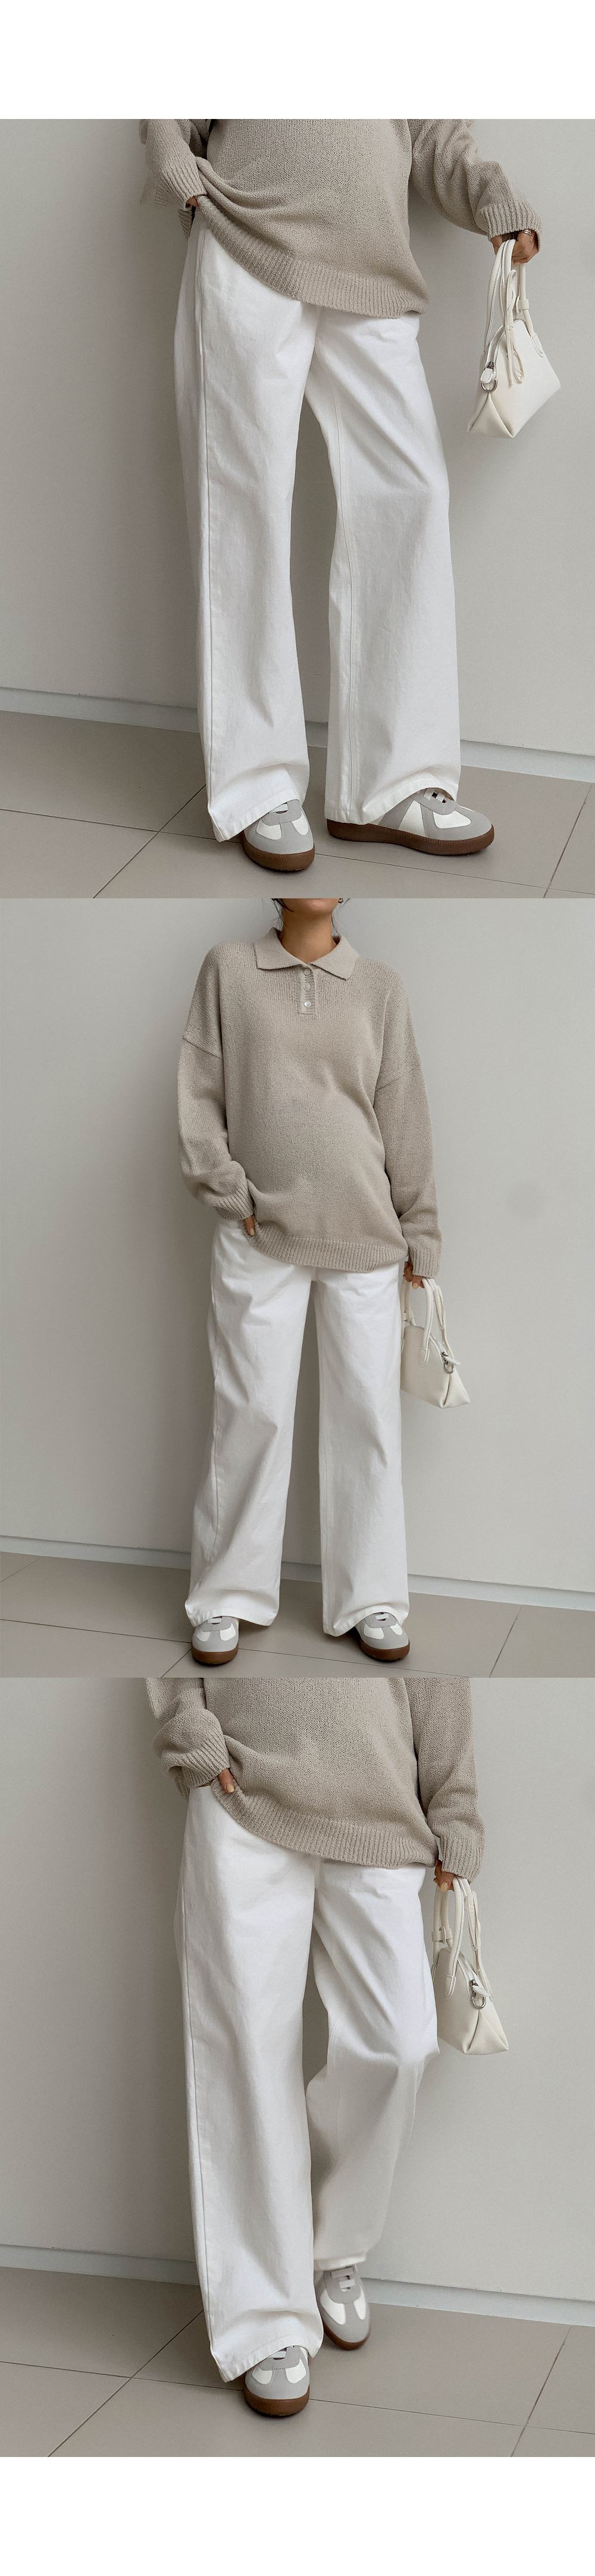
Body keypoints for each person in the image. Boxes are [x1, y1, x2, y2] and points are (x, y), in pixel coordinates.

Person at [140, 119, 540, 869]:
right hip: (246, 241)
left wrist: (496, 202)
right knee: (243, 506)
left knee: (409, 495)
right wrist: (182, 179)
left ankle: (394, 784)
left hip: (370, 268)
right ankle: (257, 785)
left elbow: (434, 134)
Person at [147, 1669, 484, 2417]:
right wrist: (191, 1729)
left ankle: (333, 2242)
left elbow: (437, 1670)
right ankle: (265, 2317)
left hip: (380, 1805)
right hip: (240, 1789)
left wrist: (454, 1805)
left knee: (399, 2043)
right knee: (245, 2050)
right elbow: (176, 1644)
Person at [178, 894, 441, 1666]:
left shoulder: (381, 986)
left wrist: (422, 1230)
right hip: (259, 1235)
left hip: (367, 1236)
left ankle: (374, 1598)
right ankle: (224, 1596)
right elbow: (199, 1096)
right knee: (249, 1413)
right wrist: (230, 1194)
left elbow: (404, 1114)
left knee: (367, 1420)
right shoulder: (229, 970)